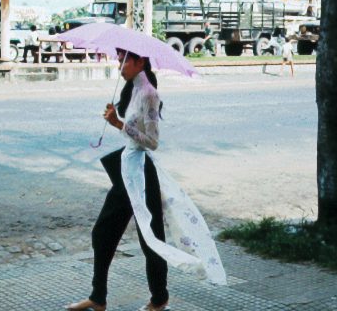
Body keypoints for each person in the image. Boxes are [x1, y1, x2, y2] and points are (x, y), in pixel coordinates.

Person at [67, 50, 226, 311]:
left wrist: (120, 125)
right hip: (126, 173)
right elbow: (133, 132)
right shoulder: (132, 90)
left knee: (151, 240)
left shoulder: (149, 93)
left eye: (124, 60)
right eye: (119, 60)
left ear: (140, 61)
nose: (120, 65)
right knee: (103, 233)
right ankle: (98, 298)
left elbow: (152, 142)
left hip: (142, 173)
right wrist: (116, 119)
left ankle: (159, 299)